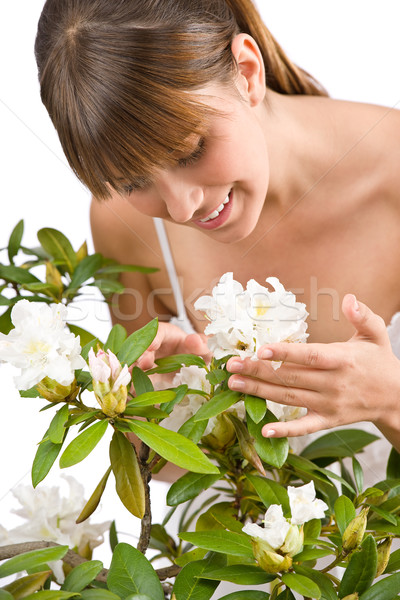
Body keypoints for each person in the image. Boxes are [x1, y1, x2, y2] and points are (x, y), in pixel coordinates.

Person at [35, 0, 400, 454]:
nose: (182, 209)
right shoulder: (121, 222)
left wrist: (390, 401)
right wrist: (161, 408)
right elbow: (172, 472)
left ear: (246, 73)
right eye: (133, 181)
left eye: (189, 151)